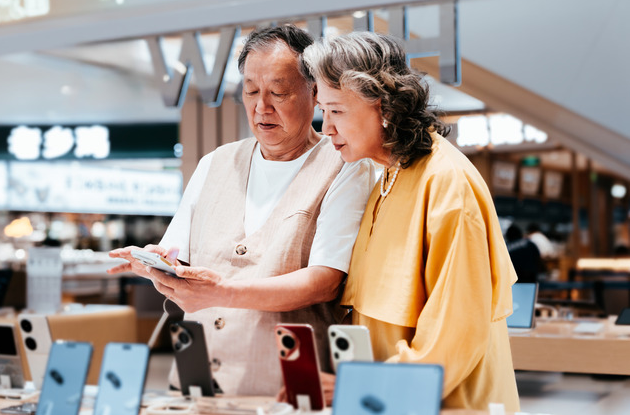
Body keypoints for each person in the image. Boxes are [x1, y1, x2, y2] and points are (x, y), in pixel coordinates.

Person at [108, 24, 373, 396]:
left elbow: (324, 281)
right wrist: (156, 265)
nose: (261, 107)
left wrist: (223, 292)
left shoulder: (345, 165)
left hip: (285, 387)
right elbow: (176, 258)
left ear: (315, 93)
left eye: (278, 93)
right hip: (195, 377)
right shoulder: (215, 163)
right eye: (250, 91)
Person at [300, 32, 520, 410]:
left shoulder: (447, 183)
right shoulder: (388, 174)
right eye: (324, 111)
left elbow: (455, 336)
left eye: (337, 110)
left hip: (446, 402)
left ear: (384, 107)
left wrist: (365, 386)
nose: (326, 128)